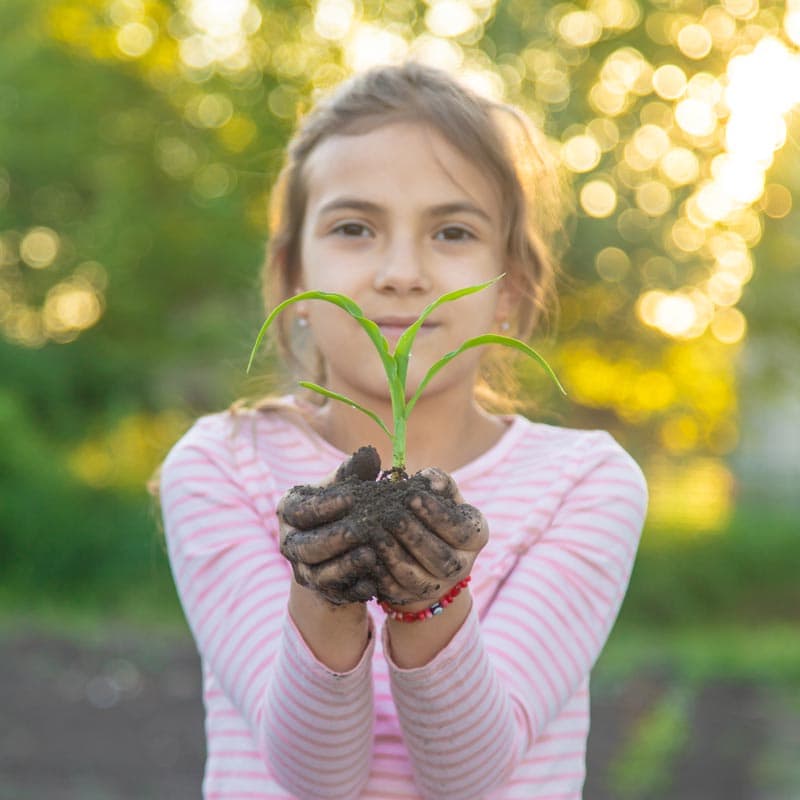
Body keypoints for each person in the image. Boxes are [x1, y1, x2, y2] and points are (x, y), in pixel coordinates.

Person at [159, 61, 648, 800]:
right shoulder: (223, 463)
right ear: (292, 276)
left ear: (510, 285)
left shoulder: (585, 483)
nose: (402, 272)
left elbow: (472, 772)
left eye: (452, 231)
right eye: (354, 228)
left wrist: (432, 602)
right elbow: (314, 776)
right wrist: (324, 590)